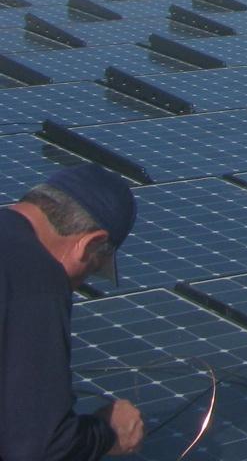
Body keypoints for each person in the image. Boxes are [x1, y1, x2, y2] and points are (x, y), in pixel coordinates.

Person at [2, 165, 145, 460]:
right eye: (91, 269)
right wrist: (109, 433)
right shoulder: (34, 279)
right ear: (91, 242)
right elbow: (40, 447)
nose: (78, 284)